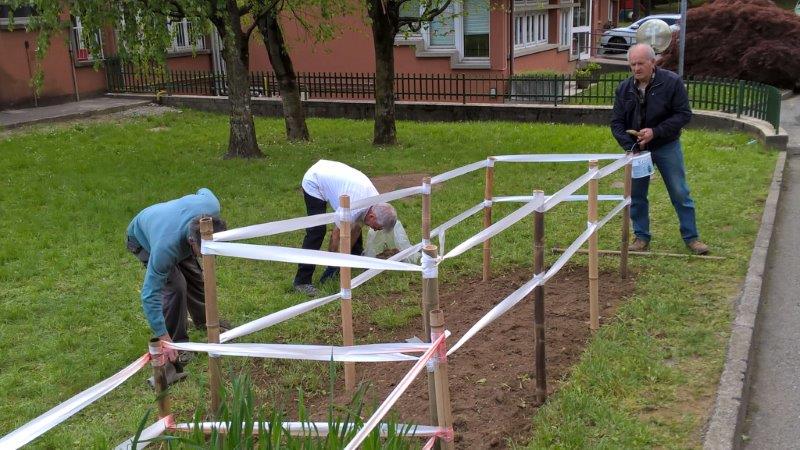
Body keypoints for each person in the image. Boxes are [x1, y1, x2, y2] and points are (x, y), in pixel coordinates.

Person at [611, 43, 709, 255]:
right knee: (636, 195)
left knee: (679, 192)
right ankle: (641, 237)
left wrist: (655, 132)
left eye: (641, 64)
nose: (636, 69)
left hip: (666, 146)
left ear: (652, 63)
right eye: (632, 64)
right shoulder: (624, 89)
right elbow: (616, 123)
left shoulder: (671, 83)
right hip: (637, 151)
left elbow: (683, 114)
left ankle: (692, 238)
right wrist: (632, 146)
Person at [126, 188, 227, 384]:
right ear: (191, 242)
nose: (211, 257)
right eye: (204, 251)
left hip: (169, 224)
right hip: (142, 237)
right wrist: (163, 338)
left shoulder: (212, 206)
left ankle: (206, 322)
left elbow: (203, 190)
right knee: (176, 287)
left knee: (197, 278)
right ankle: (177, 344)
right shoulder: (165, 249)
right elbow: (149, 294)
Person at [294, 160, 398, 296]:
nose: (376, 230)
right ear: (372, 217)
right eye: (378, 227)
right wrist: (333, 264)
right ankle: (302, 281)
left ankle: (353, 258)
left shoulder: (375, 202)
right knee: (317, 230)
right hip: (315, 181)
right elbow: (336, 235)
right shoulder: (354, 209)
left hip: (333, 174)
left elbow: (356, 228)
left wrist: (345, 257)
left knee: (353, 225)